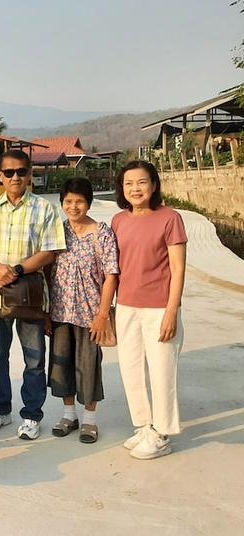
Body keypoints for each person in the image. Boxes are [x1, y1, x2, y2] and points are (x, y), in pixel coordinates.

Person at [0, 149, 66, 440]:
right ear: (0, 176)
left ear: (29, 174)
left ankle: (32, 415)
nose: (15, 177)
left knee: (34, 358)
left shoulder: (44, 209)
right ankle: (0, 410)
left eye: (21, 172)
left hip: (30, 295)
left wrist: (17, 270)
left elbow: (50, 251)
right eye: (9, 172)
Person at [111, 160, 186, 460]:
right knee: (130, 369)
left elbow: (178, 268)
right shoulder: (119, 220)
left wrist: (172, 311)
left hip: (159, 307)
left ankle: (162, 432)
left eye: (142, 182)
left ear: (154, 185)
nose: (135, 189)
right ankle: (144, 425)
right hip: (126, 305)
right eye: (129, 183)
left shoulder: (170, 218)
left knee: (162, 369)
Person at [47, 177, 118, 444]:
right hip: (59, 311)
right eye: (68, 201)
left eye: (79, 201)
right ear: (62, 202)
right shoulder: (57, 231)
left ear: (88, 202)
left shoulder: (102, 232)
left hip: (90, 314)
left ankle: (89, 420)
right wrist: (45, 312)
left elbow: (112, 274)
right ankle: (68, 414)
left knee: (88, 366)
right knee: (61, 364)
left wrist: (102, 315)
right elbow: (47, 269)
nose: (74, 206)